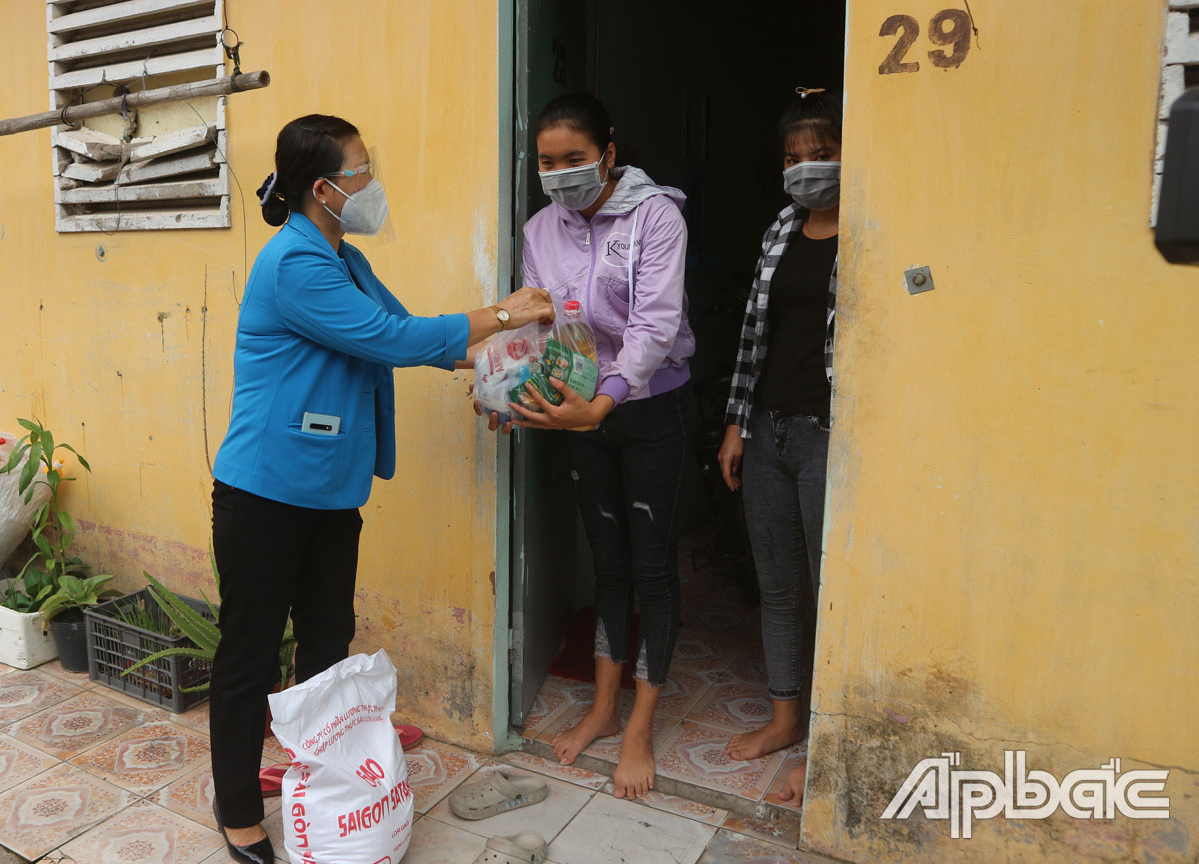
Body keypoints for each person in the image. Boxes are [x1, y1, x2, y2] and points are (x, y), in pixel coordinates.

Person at [208, 114, 552, 863]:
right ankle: (236, 808)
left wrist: (512, 359)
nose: (373, 184)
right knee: (251, 654)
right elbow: (392, 341)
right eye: (361, 171)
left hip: (330, 491)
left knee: (328, 642)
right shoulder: (295, 263)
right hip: (265, 493)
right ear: (323, 188)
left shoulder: (345, 260)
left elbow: (404, 329)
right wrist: (503, 311)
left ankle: (318, 771)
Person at [485, 93, 696, 800]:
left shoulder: (656, 216)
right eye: (548, 162)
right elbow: (541, 321)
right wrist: (511, 391)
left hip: (650, 402)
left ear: (608, 153)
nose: (560, 173)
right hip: (579, 406)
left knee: (652, 567)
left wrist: (606, 403)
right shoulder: (540, 228)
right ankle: (604, 710)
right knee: (607, 563)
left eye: (574, 159)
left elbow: (655, 324)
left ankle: (640, 722)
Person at [717, 87, 843, 807]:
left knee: (830, 593)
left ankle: (826, 736)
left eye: (820, 154)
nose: (805, 169)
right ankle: (785, 720)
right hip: (768, 430)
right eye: (793, 157)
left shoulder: (870, 232)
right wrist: (736, 422)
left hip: (830, 437)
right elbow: (751, 339)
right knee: (779, 584)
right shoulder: (779, 230)